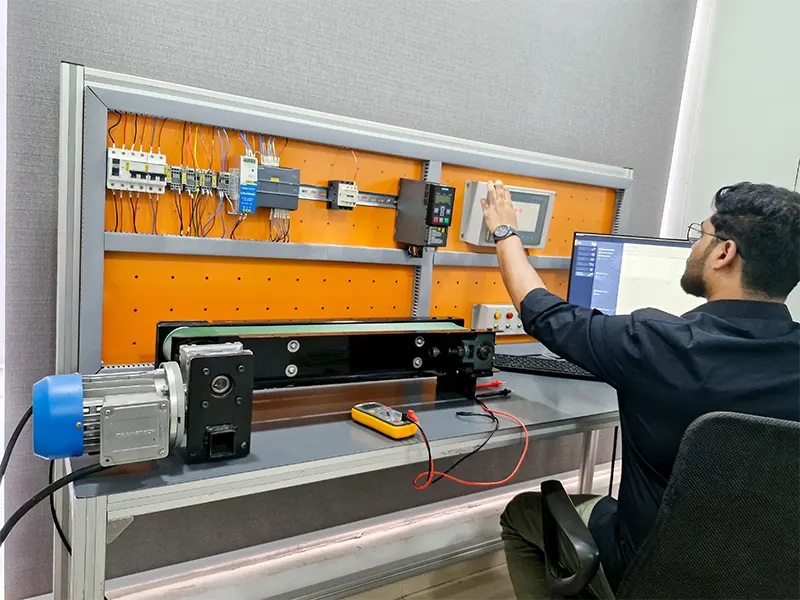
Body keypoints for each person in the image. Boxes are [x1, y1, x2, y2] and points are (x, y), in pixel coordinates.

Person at [480, 180, 800, 599]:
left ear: (725, 253)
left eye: (700, 236)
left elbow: (544, 312)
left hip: (651, 572)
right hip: (769, 575)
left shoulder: (654, 343)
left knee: (523, 512)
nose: (694, 248)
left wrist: (505, 232)